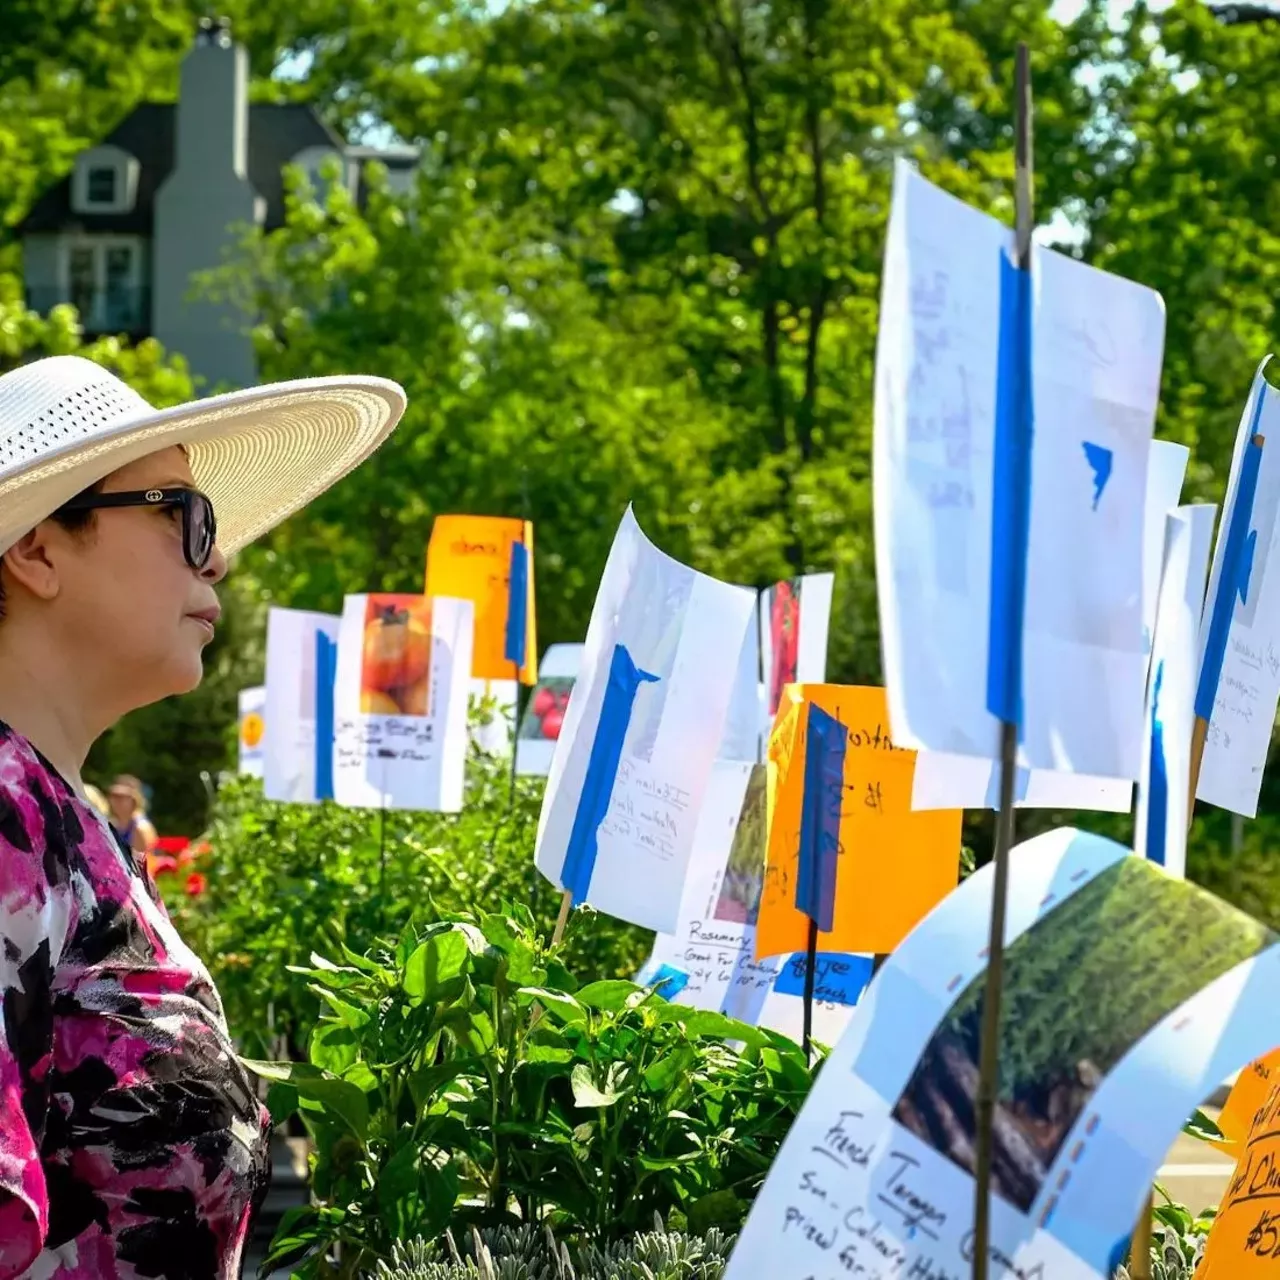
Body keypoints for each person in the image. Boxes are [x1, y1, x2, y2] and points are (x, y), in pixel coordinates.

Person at [0, 355, 405, 1278]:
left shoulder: (64, 821)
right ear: (36, 549)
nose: (218, 555)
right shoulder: (8, 816)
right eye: (183, 515)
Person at [105, 772, 158, 868]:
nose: (116, 800)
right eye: (113, 795)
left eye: (121, 796)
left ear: (134, 799)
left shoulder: (141, 828)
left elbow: (145, 865)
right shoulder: (113, 824)